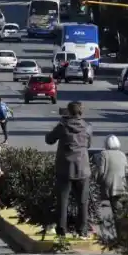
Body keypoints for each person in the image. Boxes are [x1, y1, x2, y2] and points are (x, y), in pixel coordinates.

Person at [45, 101, 93, 238]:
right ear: (81, 112)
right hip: (83, 169)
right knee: (83, 202)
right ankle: (82, 231)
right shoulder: (88, 127)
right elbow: (88, 144)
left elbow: (49, 140)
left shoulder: (62, 126)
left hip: (64, 169)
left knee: (62, 202)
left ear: (69, 111)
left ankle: (62, 231)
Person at [95, 135, 128, 240]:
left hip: (109, 186)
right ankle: (124, 235)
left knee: (113, 212)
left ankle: (121, 237)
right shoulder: (122, 154)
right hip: (122, 186)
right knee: (120, 212)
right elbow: (126, 171)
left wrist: (96, 180)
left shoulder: (104, 154)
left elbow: (101, 171)